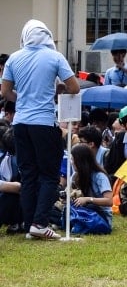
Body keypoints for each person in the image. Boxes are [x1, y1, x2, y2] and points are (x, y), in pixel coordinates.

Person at [1, 19, 80, 240]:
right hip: (44, 122)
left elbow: (6, 91)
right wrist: (56, 90)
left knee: (28, 175)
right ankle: (40, 222)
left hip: (20, 124)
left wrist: (23, 98)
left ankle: (29, 225)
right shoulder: (54, 57)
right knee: (48, 175)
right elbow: (73, 87)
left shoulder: (14, 58)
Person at [68, 143, 114, 231]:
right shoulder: (76, 175)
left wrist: (88, 199)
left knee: (89, 207)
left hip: (99, 214)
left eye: (73, 160)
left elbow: (109, 201)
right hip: (83, 209)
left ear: (80, 161)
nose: (72, 162)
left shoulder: (99, 176)